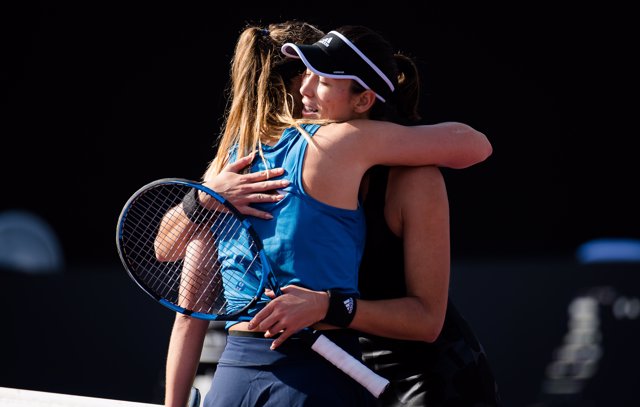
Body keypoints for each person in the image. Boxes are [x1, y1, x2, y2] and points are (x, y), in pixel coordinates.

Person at [161, 23, 492, 407]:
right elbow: (169, 257)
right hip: (338, 367)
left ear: (364, 100)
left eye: (320, 78)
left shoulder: (403, 173)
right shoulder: (239, 172)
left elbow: (426, 321)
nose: (305, 89)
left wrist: (328, 306)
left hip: (426, 381)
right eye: (304, 74)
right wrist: (203, 199)